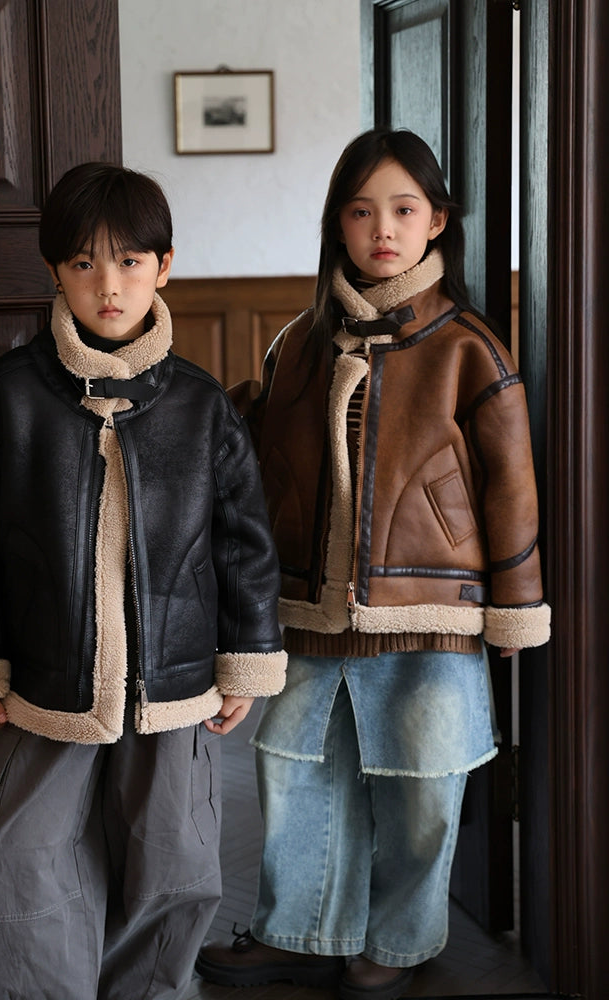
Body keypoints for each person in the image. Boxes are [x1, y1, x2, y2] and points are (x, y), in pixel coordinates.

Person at [195, 128, 551, 1000]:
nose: (381, 229)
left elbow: (510, 487)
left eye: (402, 209)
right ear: (338, 226)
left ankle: (397, 943)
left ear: (436, 222)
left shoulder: (471, 347)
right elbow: (263, 472)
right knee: (298, 779)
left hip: (430, 619)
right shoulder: (300, 345)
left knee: (425, 791)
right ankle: (301, 933)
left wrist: (514, 608)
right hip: (310, 616)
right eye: (360, 211)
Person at [0, 162, 287, 1000]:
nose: (107, 284)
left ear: (164, 266)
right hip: (44, 687)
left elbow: (245, 548)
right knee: (27, 866)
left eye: (128, 261)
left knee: (176, 859)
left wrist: (246, 661)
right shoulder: (3, 401)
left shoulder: (201, 408)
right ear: (54, 270)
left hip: (176, 686)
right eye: (84, 263)